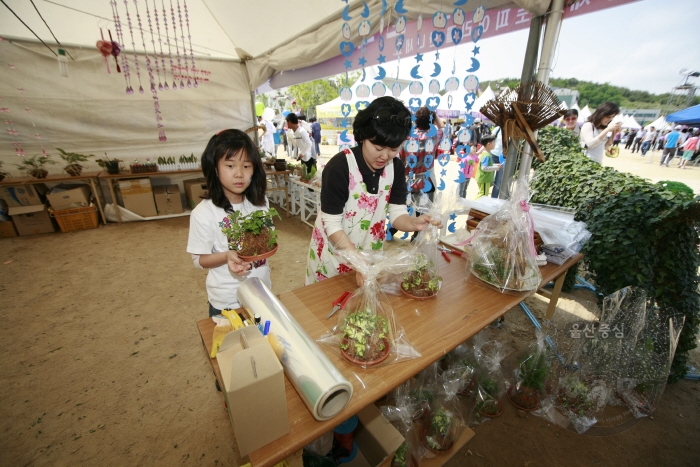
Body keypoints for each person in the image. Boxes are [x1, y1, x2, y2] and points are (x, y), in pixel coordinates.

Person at [306, 96, 438, 286]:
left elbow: (397, 215)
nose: (385, 156)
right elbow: (332, 225)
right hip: (333, 258)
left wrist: (413, 223)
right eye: (378, 147)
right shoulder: (340, 167)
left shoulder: (396, 168)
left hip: (370, 258)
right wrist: (359, 263)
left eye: (393, 148)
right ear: (362, 137)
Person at [186, 129, 272, 317]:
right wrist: (227, 256)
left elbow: (267, 240)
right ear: (215, 169)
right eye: (230, 166)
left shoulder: (260, 203)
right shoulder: (204, 213)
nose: (239, 174)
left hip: (262, 293)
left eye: (247, 166)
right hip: (227, 301)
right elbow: (198, 260)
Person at [474, 135, 502, 199]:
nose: (495, 144)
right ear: (489, 144)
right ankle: (474, 205)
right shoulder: (486, 155)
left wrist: (495, 165)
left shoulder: (487, 153)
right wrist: (495, 168)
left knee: (483, 193)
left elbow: (488, 165)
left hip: (484, 178)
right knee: (483, 194)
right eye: (494, 142)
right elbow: (484, 168)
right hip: (484, 179)